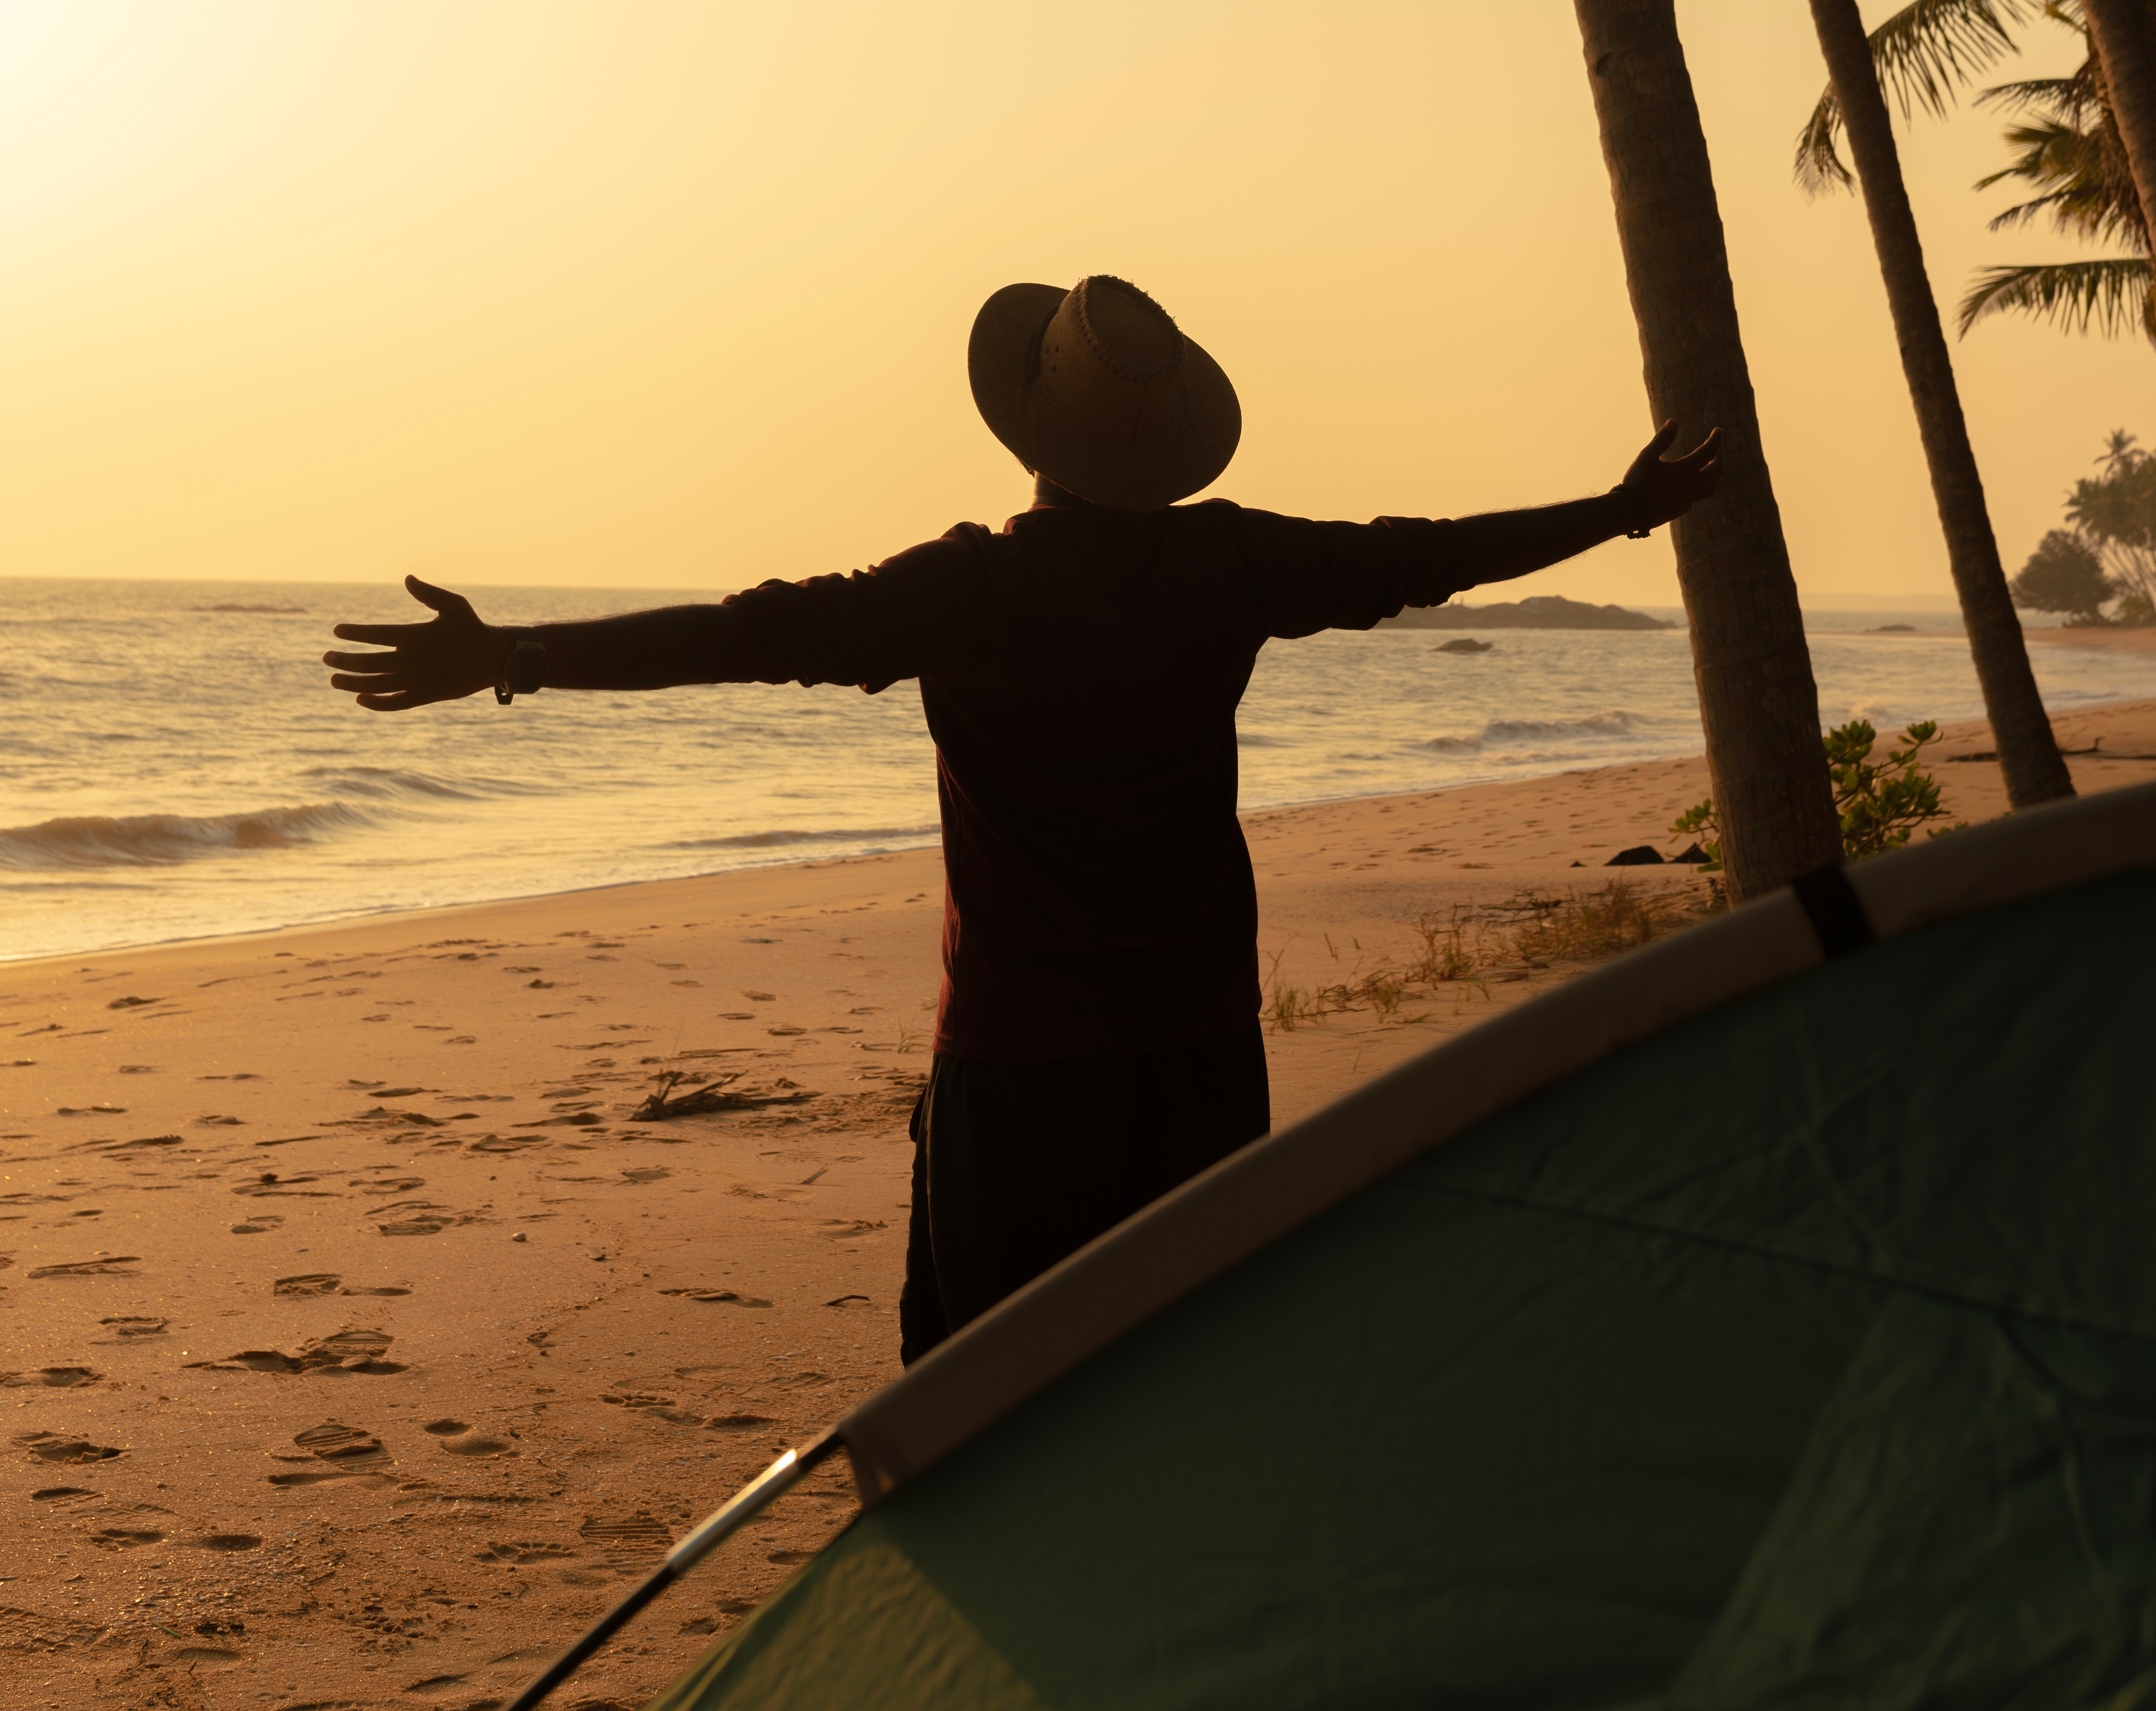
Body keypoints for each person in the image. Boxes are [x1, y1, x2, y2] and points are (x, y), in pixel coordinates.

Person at [325, 273, 1718, 1362]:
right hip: (1196, 1050)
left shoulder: (972, 588)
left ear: (1031, 424)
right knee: (1187, 1362)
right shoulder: (1230, 561)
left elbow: (749, 635)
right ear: (1166, 440)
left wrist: (520, 654)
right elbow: (1426, 558)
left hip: (1023, 1053)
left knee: (982, 1381)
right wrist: (1616, 512)